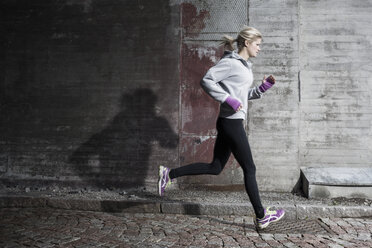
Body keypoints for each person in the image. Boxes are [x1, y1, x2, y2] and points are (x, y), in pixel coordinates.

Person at [158, 26, 284, 229]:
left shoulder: (244, 66)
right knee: (250, 168)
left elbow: (241, 97)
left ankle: (169, 175)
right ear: (247, 43)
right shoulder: (231, 63)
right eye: (258, 45)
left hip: (230, 121)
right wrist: (227, 99)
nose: (260, 49)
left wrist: (261, 89)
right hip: (231, 122)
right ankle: (261, 215)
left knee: (215, 167)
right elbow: (206, 80)